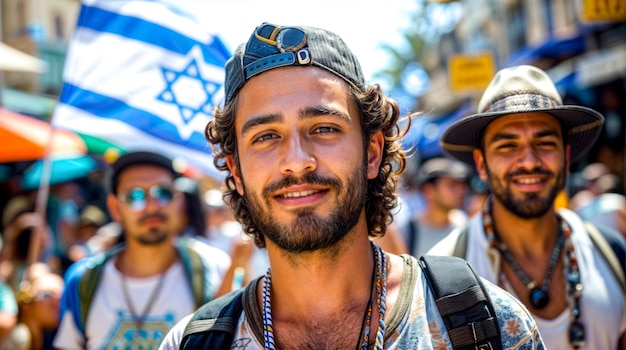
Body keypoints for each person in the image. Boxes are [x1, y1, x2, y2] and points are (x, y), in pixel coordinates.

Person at [159, 22, 543, 349]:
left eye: (324, 129)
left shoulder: (487, 325)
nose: (297, 160)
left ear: (372, 152)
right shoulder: (192, 343)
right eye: (265, 137)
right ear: (236, 172)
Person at [431, 64, 626, 349]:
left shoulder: (610, 253)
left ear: (566, 155)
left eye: (545, 142)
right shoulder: (443, 277)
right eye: (507, 146)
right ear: (482, 164)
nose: (529, 161)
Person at [53, 151, 231, 349]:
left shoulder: (215, 269)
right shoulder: (83, 281)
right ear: (114, 208)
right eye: (134, 196)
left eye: (163, 193)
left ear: (179, 200)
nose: (151, 206)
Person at [403, 157, 470, 256]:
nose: (461, 192)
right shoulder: (407, 231)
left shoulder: (464, 225)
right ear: (429, 191)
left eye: (462, 185)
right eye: (451, 185)